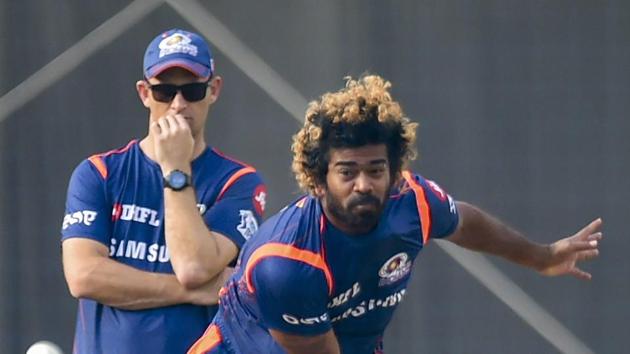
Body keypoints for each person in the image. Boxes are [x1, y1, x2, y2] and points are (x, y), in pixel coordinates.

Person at [187, 74, 602, 354]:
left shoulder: (413, 201)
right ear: (317, 180)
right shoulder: (288, 262)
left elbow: (464, 222)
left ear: (395, 172)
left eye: (376, 170)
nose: (364, 184)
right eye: (347, 172)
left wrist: (542, 257)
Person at [61, 28, 267, 354]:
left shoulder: (238, 181)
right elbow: (83, 276)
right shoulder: (98, 173)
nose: (178, 104)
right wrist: (191, 291)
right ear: (144, 93)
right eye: (165, 92)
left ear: (214, 90)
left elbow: (194, 267)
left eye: (193, 90)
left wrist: (176, 170)